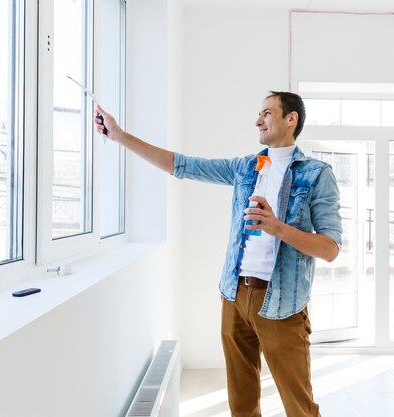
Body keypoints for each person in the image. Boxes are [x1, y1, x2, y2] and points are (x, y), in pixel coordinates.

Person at [95, 91, 341, 417]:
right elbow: (182, 165)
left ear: (291, 119)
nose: (258, 120)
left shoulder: (316, 174)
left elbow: (330, 248)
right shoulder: (245, 168)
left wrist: (277, 227)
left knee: (299, 407)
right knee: (241, 404)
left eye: (267, 113)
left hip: (282, 306)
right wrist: (120, 136)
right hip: (234, 296)